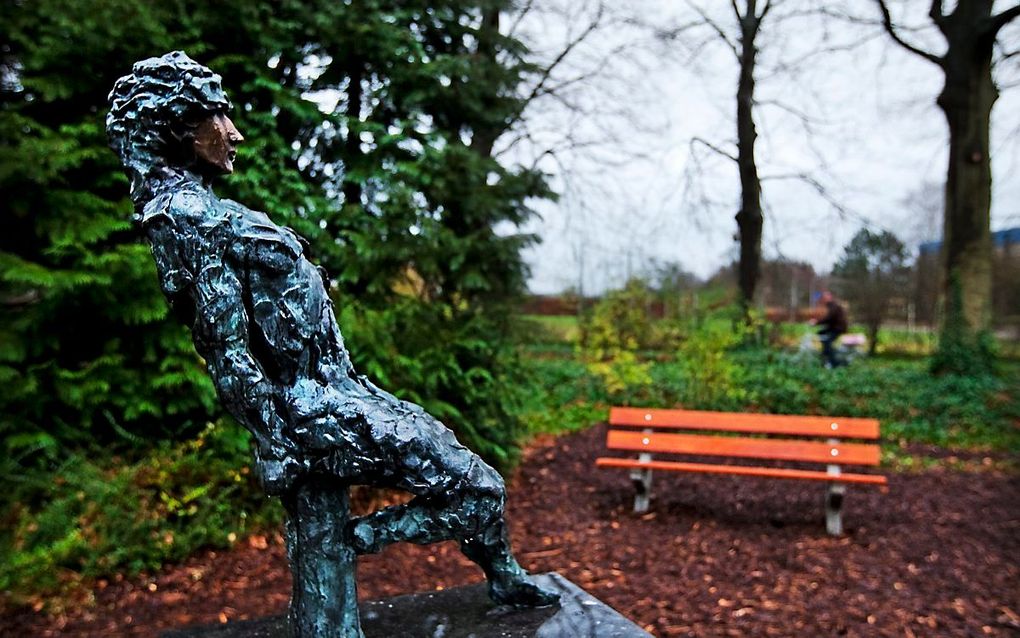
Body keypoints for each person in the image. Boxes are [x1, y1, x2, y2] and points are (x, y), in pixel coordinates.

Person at [106, 51, 557, 608]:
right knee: (480, 488)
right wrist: (277, 442)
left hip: (341, 388)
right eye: (217, 119)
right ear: (179, 130)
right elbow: (225, 349)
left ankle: (497, 572)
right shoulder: (185, 218)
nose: (234, 134)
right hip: (310, 405)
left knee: (473, 481)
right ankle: (354, 542)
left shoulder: (204, 209)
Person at [813, 290, 848, 368]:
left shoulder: (833, 306)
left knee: (827, 342)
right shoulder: (830, 305)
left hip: (838, 328)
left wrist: (816, 322)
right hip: (833, 327)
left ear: (830, 297)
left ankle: (834, 363)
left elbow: (829, 318)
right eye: (823, 297)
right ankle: (825, 357)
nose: (824, 299)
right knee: (821, 334)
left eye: (825, 297)